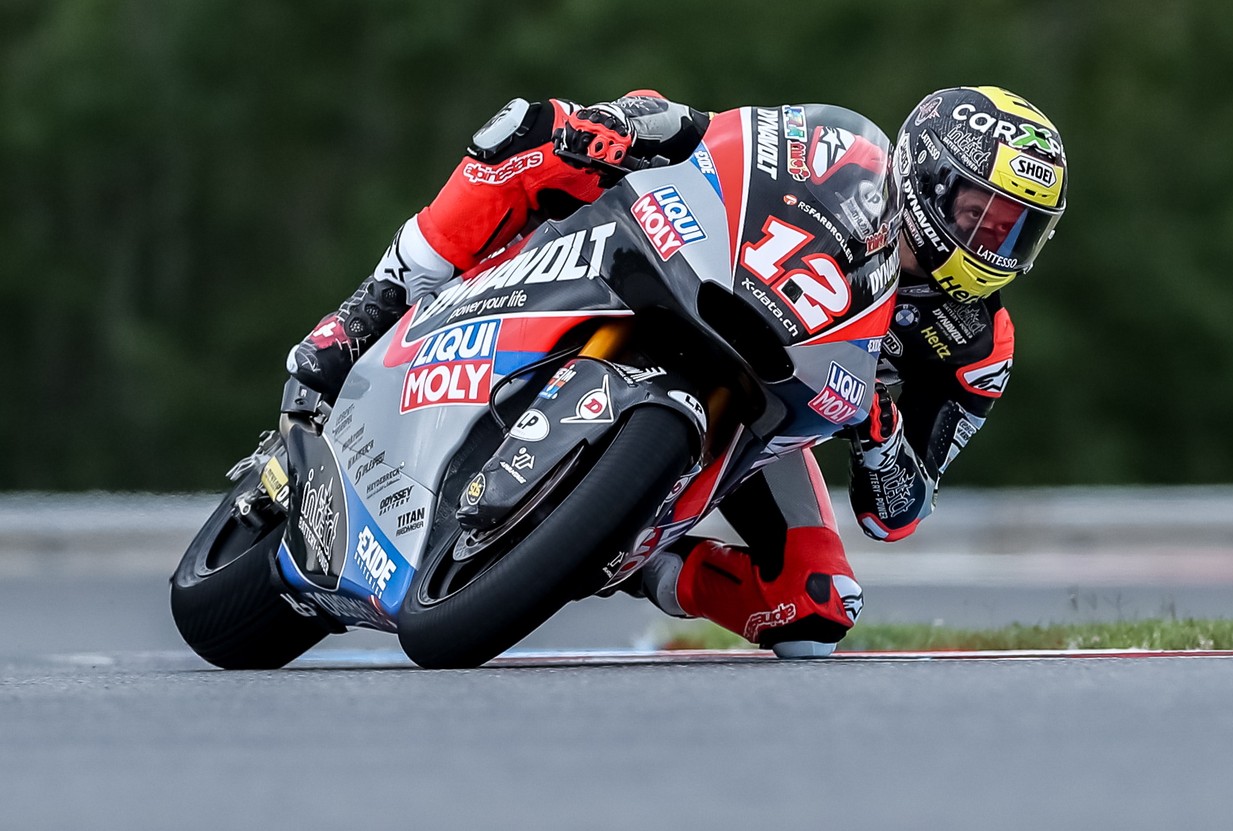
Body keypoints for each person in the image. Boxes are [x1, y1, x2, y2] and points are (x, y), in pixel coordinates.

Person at [285, 86, 1068, 657]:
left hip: (772, 413)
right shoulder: (847, 157)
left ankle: (628, 554)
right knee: (530, 133)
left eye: (1019, 232)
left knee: (814, 611)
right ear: (928, 178)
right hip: (692, 284)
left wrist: (880, 432)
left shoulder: (978, 345)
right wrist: (622, 124)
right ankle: (369, 310)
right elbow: (715, 134)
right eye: (983, 215)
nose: (998, 245)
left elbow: (896, 511)